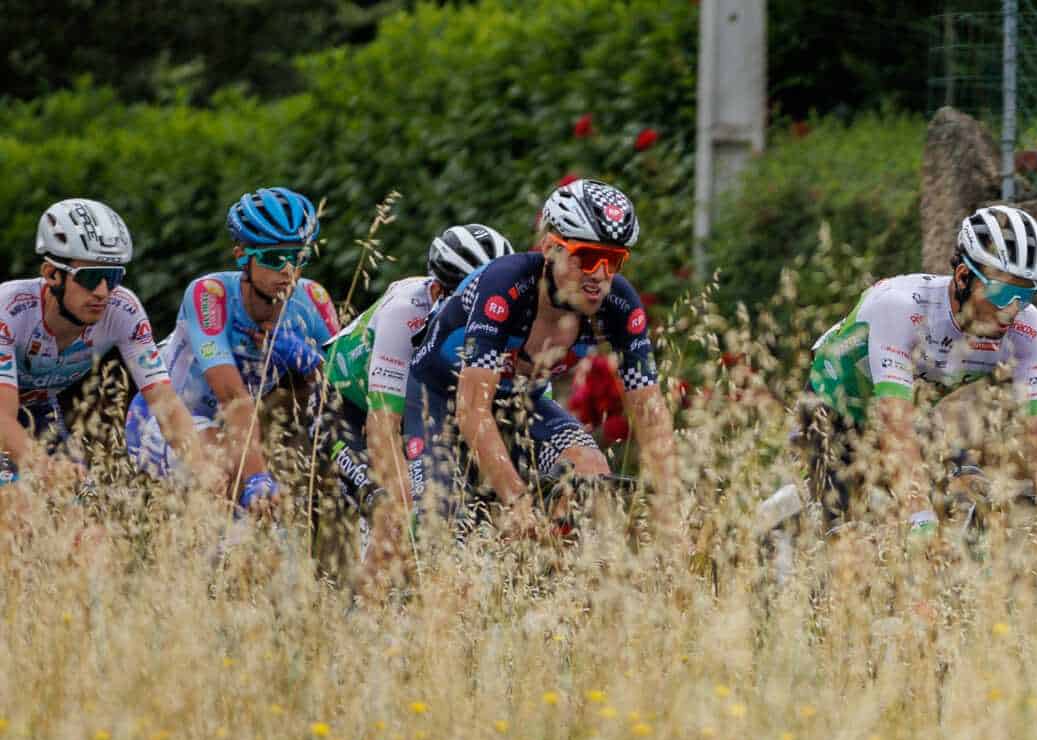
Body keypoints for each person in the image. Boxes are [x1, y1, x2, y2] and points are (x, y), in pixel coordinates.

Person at [402, 178, 675, 539]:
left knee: (591, 476)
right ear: (550, 247)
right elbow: (471, 410)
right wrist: (516, 502)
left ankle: (552, 580)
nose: (599, 275)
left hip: (521, 403)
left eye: (613, 261)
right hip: (439, 399)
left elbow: (649, 409)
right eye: (587, 257)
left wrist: (671, 507)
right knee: (443, 523)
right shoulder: (506, 284)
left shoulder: (620, 305)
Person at [798, 203, 1037, 539]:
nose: (1012, 310)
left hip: (916, 412)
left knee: (974, 497)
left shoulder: (1027, 327)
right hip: (832, 411)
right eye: (1003, 293)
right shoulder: (900, 307)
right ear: (964, 277)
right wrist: (919, 515)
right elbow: (894, 419)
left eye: (1025, 295)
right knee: (850, 543)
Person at [126, 187, 339, 509]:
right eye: (272, 257)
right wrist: (257, 478)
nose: (287, 270)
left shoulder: (312, 300)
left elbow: (343, 388)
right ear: (241, 255)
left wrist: (308, 363)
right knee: (227, 471)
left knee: (260, 527)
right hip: (164, 418)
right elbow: (233, 398)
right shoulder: (210, 295)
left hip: (229, 431)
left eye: (298, 257)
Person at [319, 221, 510, 578]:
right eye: (468, 299)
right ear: (438, 291)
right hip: (346, 408)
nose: (480, 309)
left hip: (418, 409)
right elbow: (382, 425)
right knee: (399, 508)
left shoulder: (504, 312)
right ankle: (364, 616)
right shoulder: (405, 311)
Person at [1, 199, 198, 492]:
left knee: (85, 520)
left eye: (113, 277)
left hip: (38, 409)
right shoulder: (9, 309)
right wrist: (44, 469)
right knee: (16, 506)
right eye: (91, 277)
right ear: (51, 274)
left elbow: (165, 402)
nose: (103, 292)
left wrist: (205, 465)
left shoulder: (123, 310)